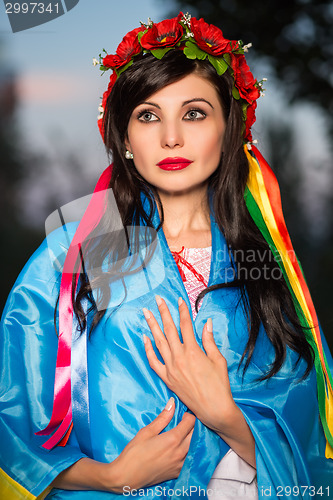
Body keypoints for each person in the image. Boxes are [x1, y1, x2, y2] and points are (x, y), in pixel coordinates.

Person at [0, 11, 332, 500]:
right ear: (125, 138)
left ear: (230, 130)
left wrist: (225, 416)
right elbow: (12, 422)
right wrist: (112, 476)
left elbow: (308, 442)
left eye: (194, 113)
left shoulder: (264, 263)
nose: (170, 137)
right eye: (148, 115)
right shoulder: (74, 251)